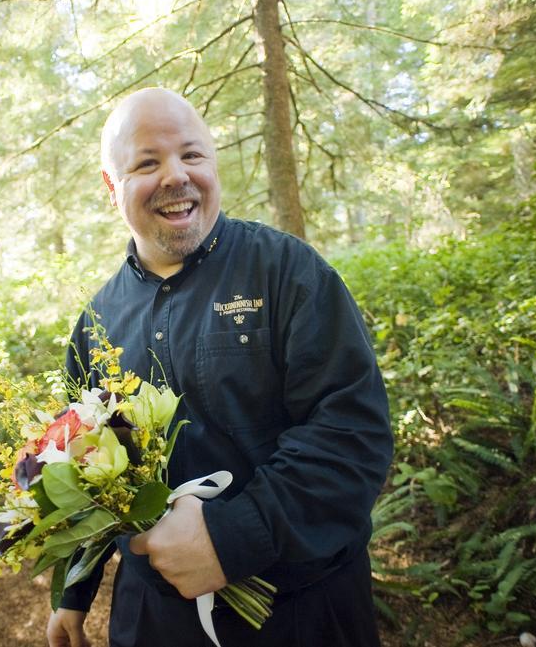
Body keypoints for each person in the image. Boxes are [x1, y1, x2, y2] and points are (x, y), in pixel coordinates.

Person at [46, 87, 393, 647]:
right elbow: (83, 466)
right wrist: (73, 589)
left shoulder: (287, 273)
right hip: (153, 620)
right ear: (113, 188)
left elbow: (353, 435)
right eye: (147, 163)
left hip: (301, 612)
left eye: (192, 155)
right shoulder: (96, 322)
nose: (175, 176)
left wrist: (231, 538)